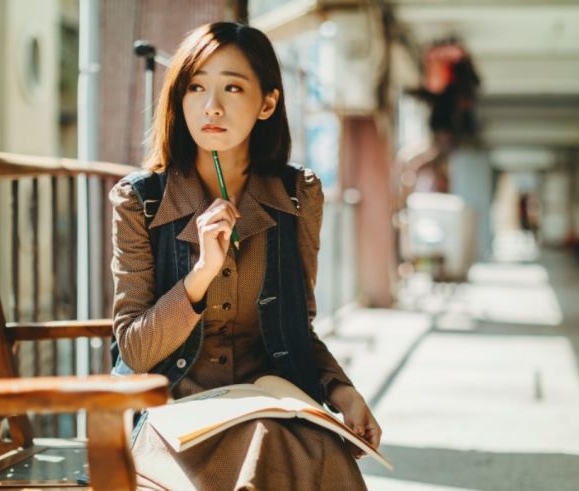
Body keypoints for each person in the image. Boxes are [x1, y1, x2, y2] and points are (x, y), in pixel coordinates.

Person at [109, 22, 381, 490]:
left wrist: (342, 391)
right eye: (196, 87)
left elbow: (298, 325)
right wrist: (200, 275)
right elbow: (133, 350)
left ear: (267, 103)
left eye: (232, 88)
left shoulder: (297, 196)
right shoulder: (141, 201)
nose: (211, 106)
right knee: (268, 449)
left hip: (273, 404)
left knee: (287, 444)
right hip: (173, 413)